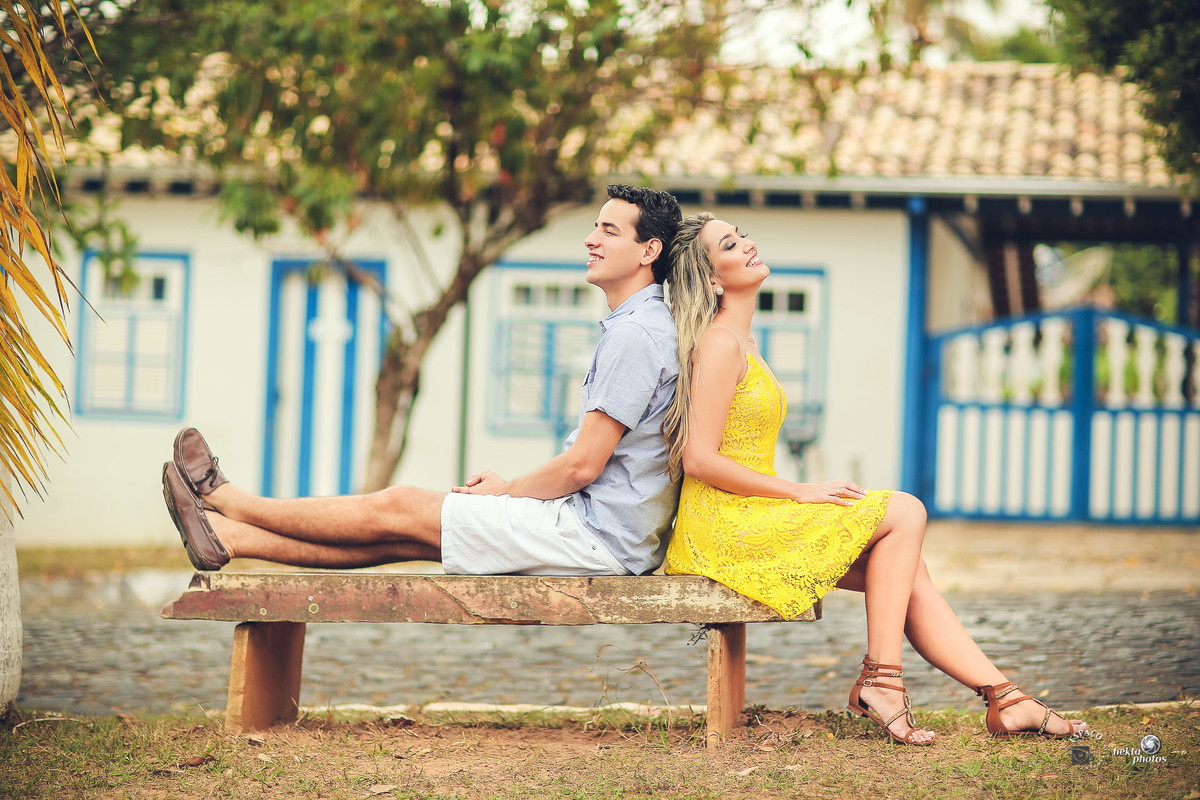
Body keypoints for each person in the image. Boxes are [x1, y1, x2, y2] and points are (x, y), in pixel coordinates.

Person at [661, 211, 1088, 746]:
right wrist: (800, 491)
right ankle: (884, 681)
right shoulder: (721, 343)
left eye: (742, 233)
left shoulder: (743, 341)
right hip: (720, 526)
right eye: (730, 243)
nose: (747, 243)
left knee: (905, 568)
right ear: (711, 278)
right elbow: (698, 459)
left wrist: (795, 496)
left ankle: (1005, 700)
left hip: (747, 514)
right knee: (904, 510)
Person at [162, 185, 682, 578]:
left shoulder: (637, 333)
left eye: (609, 232)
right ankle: (229, 538)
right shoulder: (640, 324)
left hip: (595, 534)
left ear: (648, 251)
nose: (591, 239)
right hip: (606, 533)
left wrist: (506, 492)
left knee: (400, 504)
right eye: (595, 227)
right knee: (400, 535)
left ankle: (229, 501)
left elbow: (581, 465)